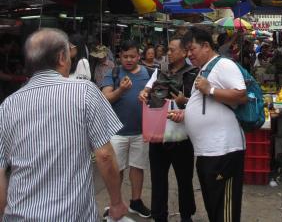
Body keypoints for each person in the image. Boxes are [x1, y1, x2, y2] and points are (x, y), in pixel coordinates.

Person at [0, 28, 127, 222]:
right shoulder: (85, 92)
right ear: (61, 58)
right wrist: (116, 202)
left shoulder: (7, 105)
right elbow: (105, 155)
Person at [182, 27, 247, 222]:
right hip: (208, 152)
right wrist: (185, 113)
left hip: (224, 151)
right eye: (187, 50)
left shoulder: (223, 65)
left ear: (206, 46)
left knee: (224, 211)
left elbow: (241, 94)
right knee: (214, 206)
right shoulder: (207, 67)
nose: (189, 54)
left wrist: (209, 89)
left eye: (191, 49)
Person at [139, 36, 198, 222]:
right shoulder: (160, 71)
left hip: (182, 136)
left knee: (184, 180)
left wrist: (184, 102)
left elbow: (199, 104)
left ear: (184, 52)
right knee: (158, 180)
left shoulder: (194, 74)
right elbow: (147, 89)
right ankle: (159, 216)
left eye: (172, 50)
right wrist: (143, 93)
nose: (168, 53)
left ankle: (186, 215)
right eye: (168, 50)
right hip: (159, 133)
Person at [101, 41, 151, 218]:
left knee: (138, 167)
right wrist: (120, 90)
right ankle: (115, 203)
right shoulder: (113, 73)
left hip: (141, 131)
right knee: (117, 169)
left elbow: (156, 95)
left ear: (139, 56)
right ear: (120, 57)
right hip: (117, 132)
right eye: (125, 56)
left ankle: (136, 202)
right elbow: (106, 99)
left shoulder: (148, 73)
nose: (129, 60)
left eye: (132, 56)